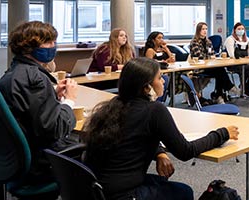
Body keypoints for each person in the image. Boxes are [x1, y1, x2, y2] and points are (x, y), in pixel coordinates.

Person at [82, 57, 240, 200]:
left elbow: (135, 135)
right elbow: (185, 151)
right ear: (146, 88)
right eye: (159, 78)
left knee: (166, 184)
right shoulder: (154, 110)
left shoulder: (113, 106)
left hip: (95, 188)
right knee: (184, 192)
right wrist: (223, 133)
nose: (164, 81)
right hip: (124, 194)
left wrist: (159, 153)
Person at [0, 21, 80, 199]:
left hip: (16, 159)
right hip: (40, 164)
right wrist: (69, 101)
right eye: (48, 42)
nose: (53, 46)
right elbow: (55, 129)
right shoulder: (35, 79)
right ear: (29, 47)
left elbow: (30, 110)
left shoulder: (14, 73)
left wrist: (53, 95)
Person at [189, 22, 241, 103]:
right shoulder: (194, 42)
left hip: (209, 66)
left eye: (206, 29)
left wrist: (210, 57)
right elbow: (200, 56)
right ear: (198, 30)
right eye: (203, 29)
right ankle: (227, 88)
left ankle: (218, 95)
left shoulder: (208, 41)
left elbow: (212, 54)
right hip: (200, 68)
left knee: (219, 71)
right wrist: (210, 57)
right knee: (220, 71)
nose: (205, 31)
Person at [225, 22, 249, 96]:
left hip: (246, 63)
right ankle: (244, 88)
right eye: (239, 29)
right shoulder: (230, 39)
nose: (241, 30)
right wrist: (242, 60)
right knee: (245, 70)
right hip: (234, 64)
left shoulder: (247, 39)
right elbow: (231, 55)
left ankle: (245, 87)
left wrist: (248, 60)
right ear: (235, 30)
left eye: (242, 29)